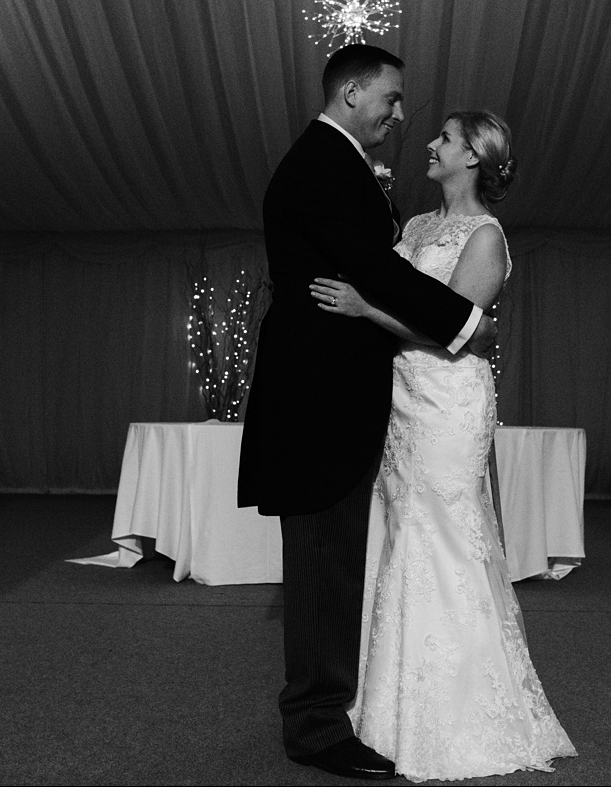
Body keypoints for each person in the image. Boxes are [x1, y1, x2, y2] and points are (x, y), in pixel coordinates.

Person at [238, 44, 496, 780]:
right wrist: (469, 325)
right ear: (352, 92)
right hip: (320, 405)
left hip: (331, 399)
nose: (402, 112)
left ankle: (325, 707)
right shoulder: (323, 163)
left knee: (334, 561)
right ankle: (316, 724)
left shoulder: (334, 160)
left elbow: (373, 271)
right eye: (393, 96)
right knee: (323, 563)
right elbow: (377, 271)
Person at [309, 110, 577, 782]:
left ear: (475, 158)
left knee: (445, 538)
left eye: (446, 139)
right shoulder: (417, 227)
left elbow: (450, 327)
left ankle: (455, 715)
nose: (431, 142)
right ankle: (388, 707)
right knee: (401, 534)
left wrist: (365, 311)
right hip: (399, 398)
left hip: (448, 402)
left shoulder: (486, 236)